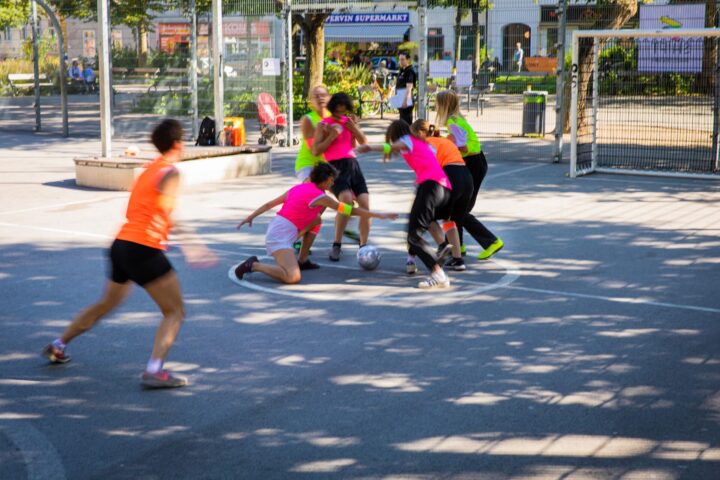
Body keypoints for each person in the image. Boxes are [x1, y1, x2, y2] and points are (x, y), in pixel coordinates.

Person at [42, 119, 218, 389]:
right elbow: (166, 210)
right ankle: (154, 370)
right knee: (175, 312)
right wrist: (194, 246)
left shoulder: (150, 169)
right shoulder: (170, 172)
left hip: (121, 245)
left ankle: (58, 344)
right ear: (178, 144)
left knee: (106, 304)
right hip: (142, 247)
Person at [234, 163, 397, 284]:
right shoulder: (321, 197)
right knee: (293, 277)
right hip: (279, 236)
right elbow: (350, 211)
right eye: (331, 180)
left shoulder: (298, 188)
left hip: (280, 228)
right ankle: (254, 265)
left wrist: (251, 216)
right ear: (324, 180)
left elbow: (270, 204)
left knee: (317, 219)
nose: (333, 184)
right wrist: (377, 215)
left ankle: (302, 259)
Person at [357, 120, 453, 289]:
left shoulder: (407, 140)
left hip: (430, 187)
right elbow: (430, 159)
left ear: (394, 135)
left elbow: (392, 148)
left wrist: (370, 148)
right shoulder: (423, 144)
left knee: (413, 236)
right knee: (426, 224)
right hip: (444, 189)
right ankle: (442, 248)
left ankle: (438, 272)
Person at [435, 90, 503, 260]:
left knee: (460, 210)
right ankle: (460, 246)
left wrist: (445, 143)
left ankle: (491, 241)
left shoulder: (452, 121)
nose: (435, 107)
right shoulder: (457, 119)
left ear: (443, 105)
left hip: (473, 164)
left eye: (436, 104)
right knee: (458, 208)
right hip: (476, 162)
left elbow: (463, 147)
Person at [412, 119, 487, 272]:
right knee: (450, 219)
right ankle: (458, 260)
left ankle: (443, 246)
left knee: (429, 217)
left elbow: (431, 165)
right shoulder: (443, 141)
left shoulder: (427, 143)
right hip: (467, 179)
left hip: (453, 177)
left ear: (420, 134)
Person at [312, 93, 370, 262]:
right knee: (345, 201)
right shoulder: (323, 125)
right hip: (335, 168)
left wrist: (354, 129)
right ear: (332, 109)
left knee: (365, 205)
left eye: (343, 112)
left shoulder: (348, 121)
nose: (340, 116)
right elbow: (316, 151)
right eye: (337, 112)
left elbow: (363, 143)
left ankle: (363, 246)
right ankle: (337, 244)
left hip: (353, 166)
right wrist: (330, 136)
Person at [295, 85, 329, 182]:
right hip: (308, 164)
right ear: (311, 101)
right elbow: (314, 149)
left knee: (345, 191)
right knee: (313, 189)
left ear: (329, 97)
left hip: (327, 165)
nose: (320, 98)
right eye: (316, 96)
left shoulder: (334, 117)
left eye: (323, 95)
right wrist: (331, 136)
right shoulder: (307, 119)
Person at [395, 53, 416, 125]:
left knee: (406, 122)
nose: (401, 61)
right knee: (402, 121)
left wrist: (406, 100)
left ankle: (408, 135)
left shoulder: (409, 71)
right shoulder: (401, 70)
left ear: (407, 60)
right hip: (400, 97)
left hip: (406, 99)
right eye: (400, 59)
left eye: (403, 59)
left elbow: (409, 87)